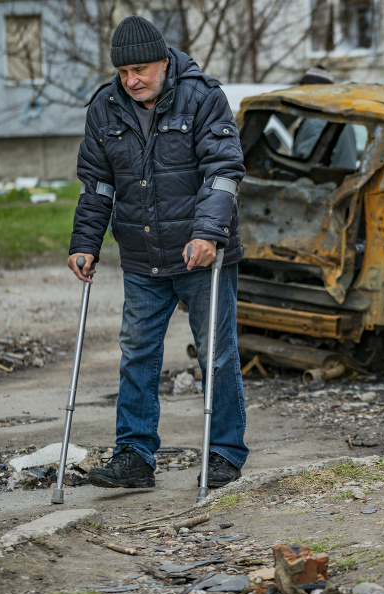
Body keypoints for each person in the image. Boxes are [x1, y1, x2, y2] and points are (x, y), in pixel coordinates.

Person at [68, 15, 247, 489]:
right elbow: (97, 186)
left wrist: (208, 235)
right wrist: (85, 244)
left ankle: (224, 455)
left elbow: (223, 172)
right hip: (142, 256)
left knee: (218, 356)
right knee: (137, 354)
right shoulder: (105, 108)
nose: (132, 81)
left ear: (165, 62)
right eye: (124, 73)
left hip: (202, 256)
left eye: (141, 70)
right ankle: (135, 456)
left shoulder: (204, 97)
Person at [291, 66, 358, 170]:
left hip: (324, 184)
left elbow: (303, 165)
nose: (301, 97)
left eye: (305, 91)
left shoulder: (316, 121)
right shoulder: (342, 119)